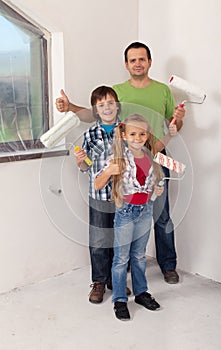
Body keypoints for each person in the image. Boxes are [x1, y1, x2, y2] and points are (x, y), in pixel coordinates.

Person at [55, 41, 185, 284]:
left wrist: (178, 120)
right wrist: (70, 107)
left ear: (149, 62)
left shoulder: (163, 91)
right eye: (133, 59)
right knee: (126, 212)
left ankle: (168, 265)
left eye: (142, 59)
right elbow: (96, 113)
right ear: (126, 64)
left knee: (162, 213)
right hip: (128, 157)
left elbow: (172, 126)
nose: (137, 63)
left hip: (156, 154)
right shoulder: (117, 92)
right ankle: (122, 265)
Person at [94, 114, 166, 321]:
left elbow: (150, 184)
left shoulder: (150, 157)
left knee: (139, 256)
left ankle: (141, 293)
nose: (138, 137)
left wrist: (156, 190)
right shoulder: (118, 158)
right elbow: (98, 184)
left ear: (147, 135)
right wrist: (108, 171)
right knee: (121, 259)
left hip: (145, 210)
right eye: (133, 133)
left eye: (142, 133)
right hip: (125, 212)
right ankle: (119, 299)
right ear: (124, 135)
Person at [75, 85, 131, 304]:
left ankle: (115, 280)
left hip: (123, 195)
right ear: (96, 110)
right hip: (98, 195)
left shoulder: (127, 130)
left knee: (120, 239)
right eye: (101, 105)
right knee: (99, 240)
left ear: (117, 106)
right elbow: (87, 165)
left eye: (110, 103)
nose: (107, 107)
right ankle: (99, 281)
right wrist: (81, 162)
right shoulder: (90, 134)